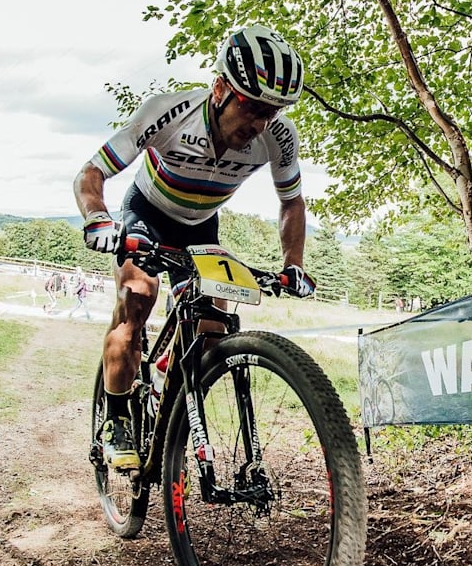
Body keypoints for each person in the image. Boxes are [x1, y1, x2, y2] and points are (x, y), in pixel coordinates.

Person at [76, 24, 317, 471]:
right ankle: (117, 418)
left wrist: (294, 263)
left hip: (201, 225)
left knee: (212, 326)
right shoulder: (170, 113)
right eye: (252, 106)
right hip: (147, 213)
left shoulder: (279, 137)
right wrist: (97, 218)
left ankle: (168, 386)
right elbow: (92, 173)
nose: (259, 123)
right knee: (137, 298)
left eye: (271, 112)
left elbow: (292, 201)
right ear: (220, 89)